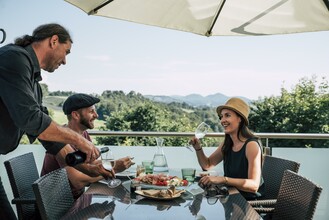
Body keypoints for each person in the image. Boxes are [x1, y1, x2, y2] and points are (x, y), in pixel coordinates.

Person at [0, 23, 111, 219]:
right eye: (66, 51)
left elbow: (50, 139)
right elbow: (31, 120)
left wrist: (88, 168)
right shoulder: (14, 58)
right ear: (53, 41)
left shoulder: (34, 84)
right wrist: (80, 141)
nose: (65, 61)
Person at [41, 93, 134, 199]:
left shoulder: (83, 134)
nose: (96, 115)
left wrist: (116, 163)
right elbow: (78, 181)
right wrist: (115, 168)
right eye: (91, 111)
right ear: (76, 115)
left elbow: (91, 163)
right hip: (57, 204)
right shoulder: (61, 140)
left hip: (76, 198)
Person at [190, 97, 264, 200]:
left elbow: (254, 186)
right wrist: (198, 148)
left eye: (227, 115)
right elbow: (207, 165)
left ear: (240, 119)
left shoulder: (251, 145)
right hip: (230, 198)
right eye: (221, 116)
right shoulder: (228, 143)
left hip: (249, 205)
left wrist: (222, 179)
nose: (222, 120)